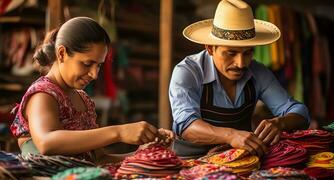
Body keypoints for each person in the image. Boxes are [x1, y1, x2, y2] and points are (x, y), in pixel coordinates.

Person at [10, 17, 172, 164]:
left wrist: (142, 154)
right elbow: (47, 142)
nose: (95, 74)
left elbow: (99, 159)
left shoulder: (84, 100)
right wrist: (119, 132)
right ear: (61, 54)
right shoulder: (43, 94)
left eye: (99, 65)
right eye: (87, 64)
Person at [169, 0, 310, 159]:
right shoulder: (188, 72)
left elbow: (300, 112)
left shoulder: (258, 72)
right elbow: (186, 126)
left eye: (248, 53)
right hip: (190, 161)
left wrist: (280, 123)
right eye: (231, 53)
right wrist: (231, 135)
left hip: (241, 162)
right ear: (209, 48)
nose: (241, 63)